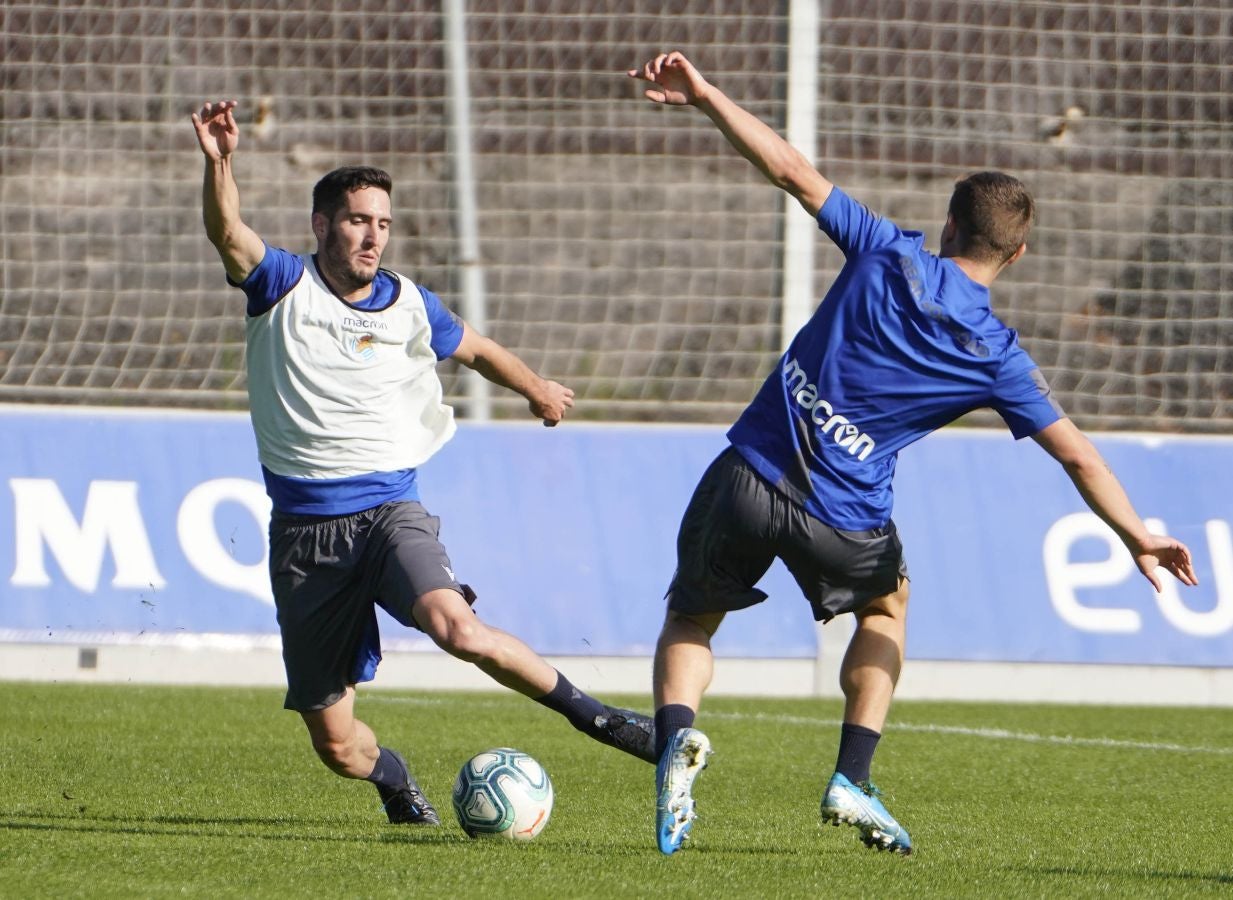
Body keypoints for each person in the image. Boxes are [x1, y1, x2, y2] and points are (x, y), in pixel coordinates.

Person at [628, 53, 1199, 857]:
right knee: (885, 609)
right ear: (1016, 256)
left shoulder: (882, 252)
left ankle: (678, 743)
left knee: (691, 617)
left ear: (948, 226)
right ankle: (851, 776)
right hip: (844, 517)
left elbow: (789, 169)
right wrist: (1136, 533)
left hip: (747, 474)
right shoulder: (996, 356)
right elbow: (1078, 458)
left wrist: (705, 94)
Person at [190, 99, 655, 826]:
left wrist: (534, 387)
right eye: (355, 220)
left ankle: (602, 720)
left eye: (381, 223)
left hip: (388, 513)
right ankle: (394, 780)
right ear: (321, 225)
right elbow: (227, 232)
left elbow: (473, 347)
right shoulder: (281, 285)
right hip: (307, 539)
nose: (371, 236)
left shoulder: (409, 302)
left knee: (456, 627)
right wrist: (220, 162)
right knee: (338, 746)